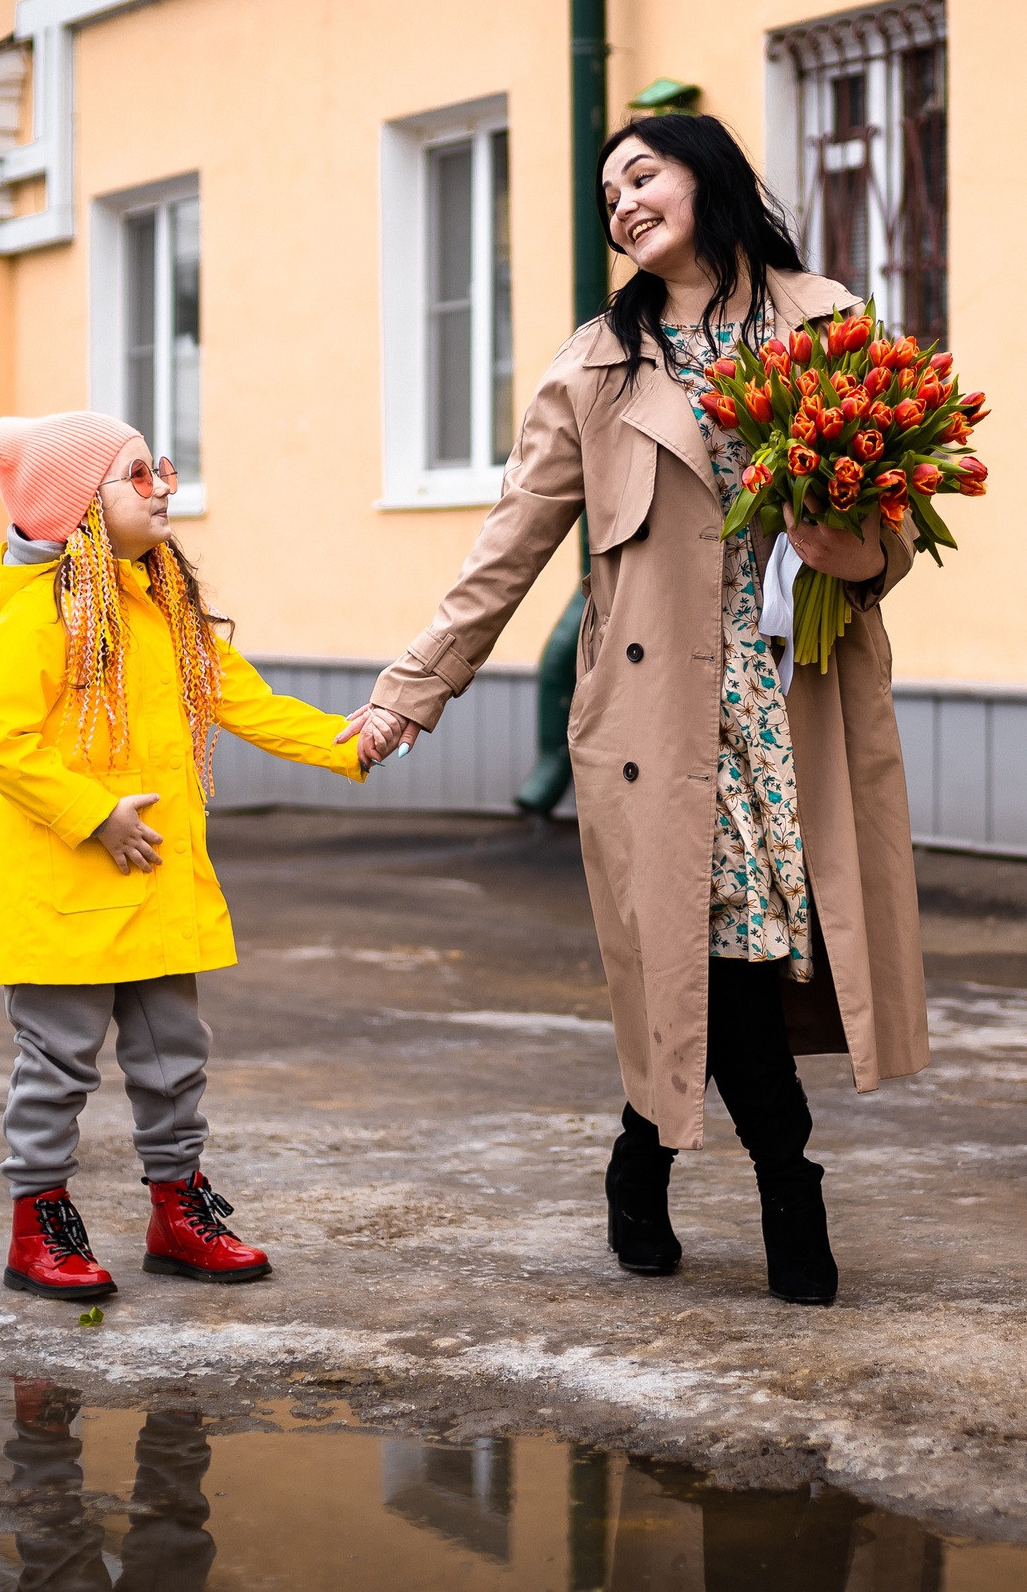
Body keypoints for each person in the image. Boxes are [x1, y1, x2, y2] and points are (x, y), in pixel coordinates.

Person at [342, 113, 929, 1305]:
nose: (619, 201)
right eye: (605, 190)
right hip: (653, 721)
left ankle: (638, 1159)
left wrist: (844, 540)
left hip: (785, 702)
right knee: (710, 950)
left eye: (640, 173)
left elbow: (894, 538)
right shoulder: (592, 370)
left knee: (738, 955)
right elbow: (504, 553)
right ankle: (789, 1189)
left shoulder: (827, 324)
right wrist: (413, 690)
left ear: (704, 175)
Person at [0, 411, 366, 1301]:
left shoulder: (163, 605)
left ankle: (176, 1211)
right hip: (74, 891)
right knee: (57, 1064)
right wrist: (96, 815)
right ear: (82, 505)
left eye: (163, 470)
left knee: (174, 1060)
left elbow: (243, 698)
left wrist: (352, 741)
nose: (163, 488)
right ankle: (37, 1224)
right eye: (140, 474)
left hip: (153, 888)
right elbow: (1, 741)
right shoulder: (41, 610)